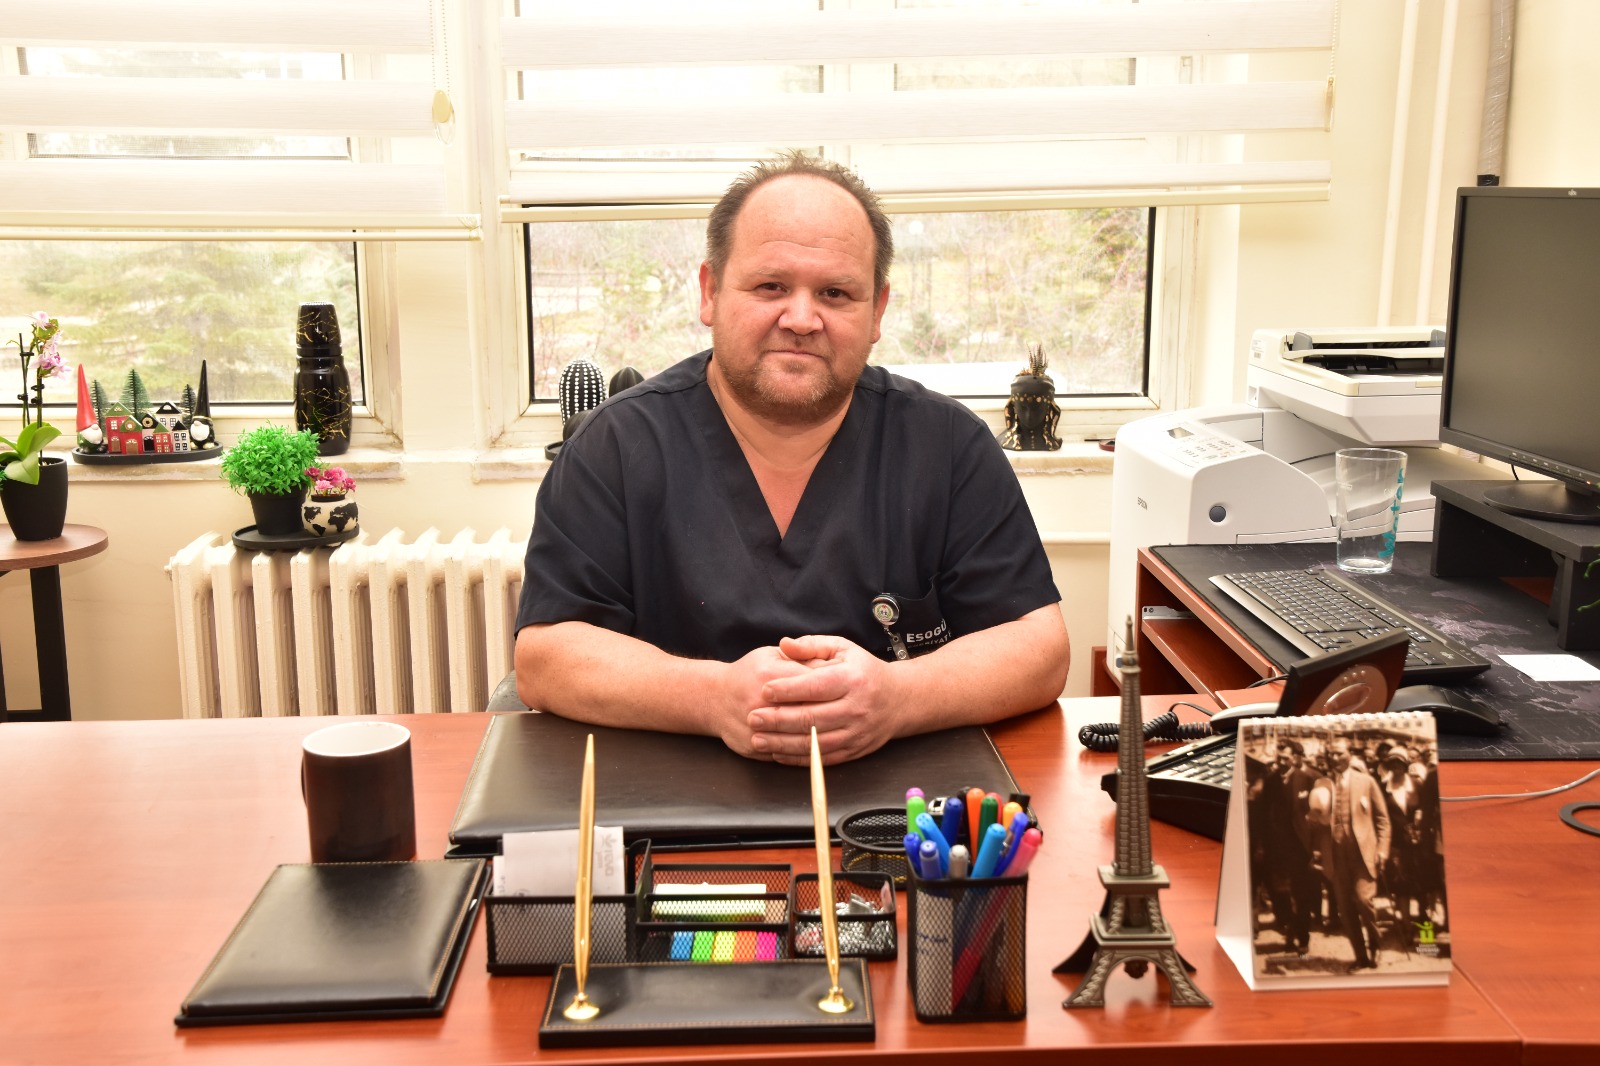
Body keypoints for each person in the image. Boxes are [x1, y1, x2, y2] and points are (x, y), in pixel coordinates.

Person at [513, 152, 1069, 766]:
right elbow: (546, 657)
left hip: (902, 807)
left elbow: (1039, 648)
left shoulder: (949, 447)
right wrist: (714, 698)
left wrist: (896, 698)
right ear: (710, 291)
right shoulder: (615, 447)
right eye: (770, 286)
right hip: (670, 801)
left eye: (835, 293)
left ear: (877, 310)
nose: (802, 319)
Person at [1307, 736, 1391, 970]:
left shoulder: (1366, 781)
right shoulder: (1323, 783)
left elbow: (1383, 820)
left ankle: (1376, 947)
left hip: (1363, 853)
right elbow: (1316, 820)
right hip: (1336, 855)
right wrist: (1313, 821)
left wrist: (1382, 850)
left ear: (1350, 755)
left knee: (1364, 901)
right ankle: (1360, 957)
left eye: (1339, 754)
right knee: (1345, 908)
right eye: (1331, 754)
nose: (1335, 758)